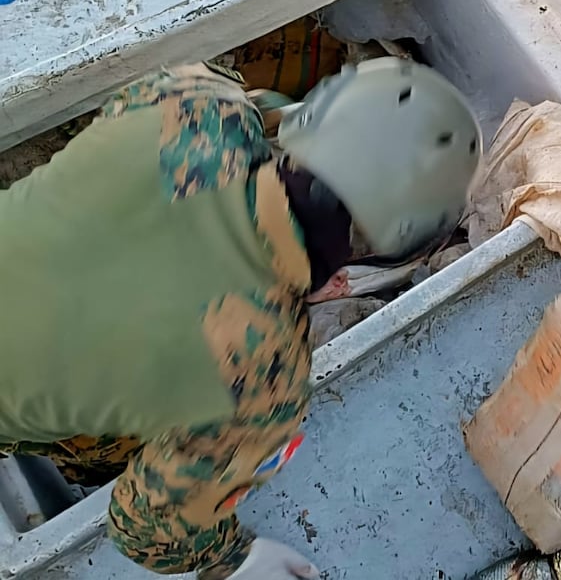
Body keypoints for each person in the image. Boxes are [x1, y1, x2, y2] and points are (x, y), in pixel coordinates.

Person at [0, 58, 481, 578]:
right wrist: (229, 556)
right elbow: (144, 532)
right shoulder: (263, 380)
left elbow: (243, 110)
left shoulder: (197, 98)